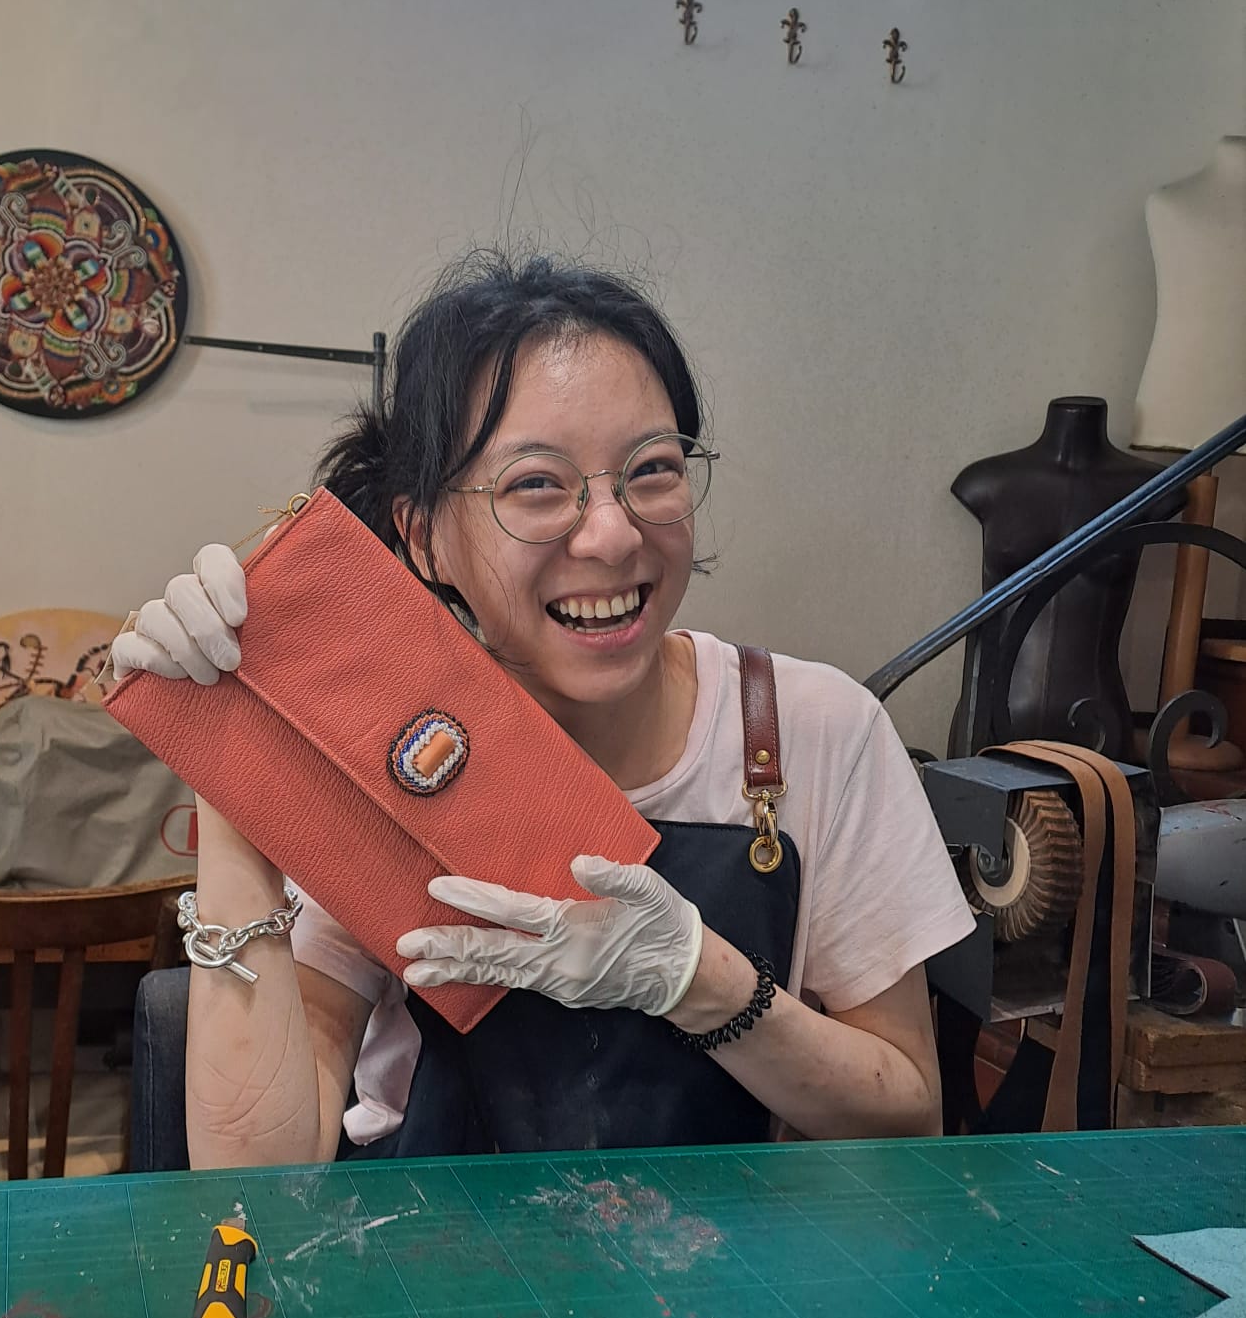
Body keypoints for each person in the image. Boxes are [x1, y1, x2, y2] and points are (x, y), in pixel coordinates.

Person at [111, 253, 973, 1168]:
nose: (611, 533)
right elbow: (259, 1178)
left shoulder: (811, 732)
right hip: (437, 1268)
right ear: (424, 534)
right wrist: (234, 760)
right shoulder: (392, 744)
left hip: (715, 1280)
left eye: (652, 469)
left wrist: (699, 979)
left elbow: (909, 1115)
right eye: (536, 485)